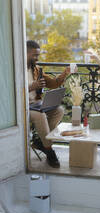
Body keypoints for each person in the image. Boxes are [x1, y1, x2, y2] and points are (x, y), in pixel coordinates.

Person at [27, 40, 71, 168]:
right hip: (22, 107)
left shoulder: (35, 69)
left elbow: (53, 84)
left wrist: (64, 74)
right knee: (40, 116)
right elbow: (11, 91)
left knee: (59, 110)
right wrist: (31, 87)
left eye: (38, 55)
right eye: (34, 55)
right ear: (26, 53)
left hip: (36, 104)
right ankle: (49, 151)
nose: (37, 58)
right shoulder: (16, 70)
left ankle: (40, 142)